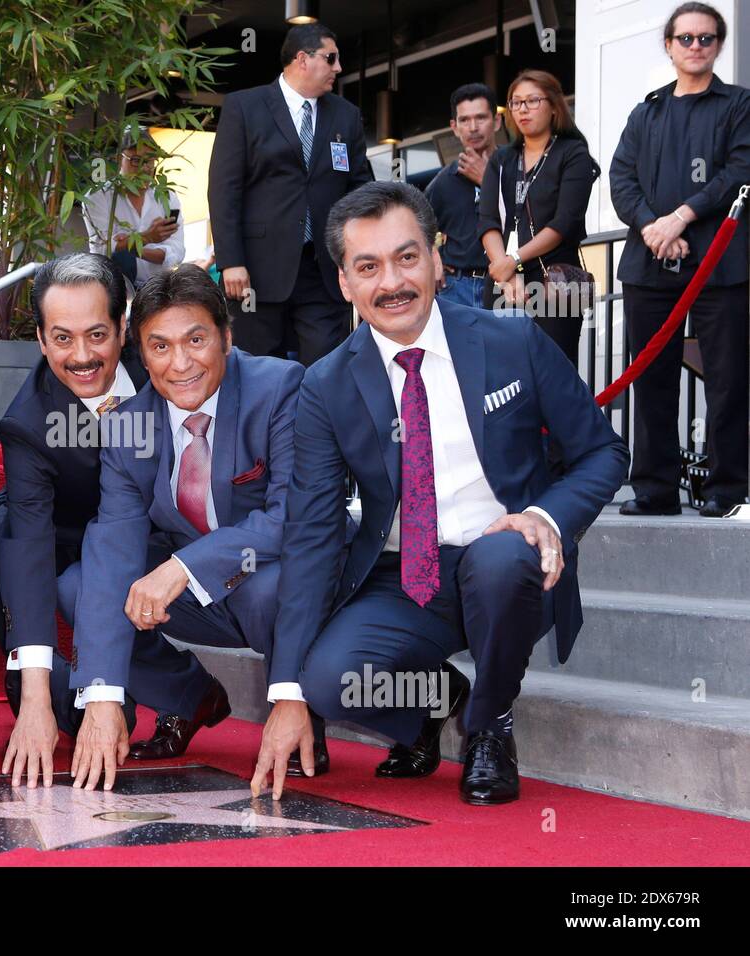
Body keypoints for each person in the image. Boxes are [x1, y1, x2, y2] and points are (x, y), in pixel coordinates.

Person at [254, 182, 628, 805]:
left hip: (503, 562)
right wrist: (287, 691)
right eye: (367, 267)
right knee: (328, 682)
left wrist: (543, 516)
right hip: (404, 577)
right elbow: (312, 530)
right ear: (344, 283)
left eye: (406, 258)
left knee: (505, 553)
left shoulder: (514, 341)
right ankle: (437, 704)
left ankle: (489, 724)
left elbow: (602, 451)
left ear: (436, 258)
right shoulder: (325, 386)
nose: (391, 283)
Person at [68, 265, 314, 792]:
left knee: (272, 588)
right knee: (80, 586)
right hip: (201, 597)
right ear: (141, 353)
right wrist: (104, 694)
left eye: (196, 340)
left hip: (275, 582)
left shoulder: (280, 388)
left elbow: (293, 517)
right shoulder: (128, 425)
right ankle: (189, 697)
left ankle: (305, 704)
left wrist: (183, 567)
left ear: (226, 336)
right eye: (159, 347)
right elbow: (114, 547)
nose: (179, 364)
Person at [0, 253, 154, 787]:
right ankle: (60, 693)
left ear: (124, 328)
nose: (82, 357)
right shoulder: (28, 421)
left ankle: (192, 693)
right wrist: (35, 699)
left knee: (100, 583)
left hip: (149, 533)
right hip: (57, 535)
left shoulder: (165, 368)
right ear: (39, 339)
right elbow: (30, 547)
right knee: (12, 548)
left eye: (97, 334)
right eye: (62, 338)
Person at [610, 2, 750, 518]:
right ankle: (654, 488)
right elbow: (621, 178)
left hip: (721, 262)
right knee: (651, 377)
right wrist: (654, 227)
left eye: (706, 38)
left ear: (718, 45)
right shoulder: (645, 112)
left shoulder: (739, 104)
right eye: (685, 38)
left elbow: (739, 170)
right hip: (650, 263)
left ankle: (726, 489)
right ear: (668, 46)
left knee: (728, 378)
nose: (695, 46)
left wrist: (681, 218)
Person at [208, 22, 373, 367]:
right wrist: (230, 261)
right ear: (303, 59)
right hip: (256, 271)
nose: (338, 68)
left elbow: (361, 190)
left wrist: (360, 255)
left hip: (323, 270)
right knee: (257, 371)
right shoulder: (245, 107)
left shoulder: (346, 115)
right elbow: (225, 188)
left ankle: (317, 424)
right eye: (331, 58)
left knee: (327, 370)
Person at [478, 70, 600, 362]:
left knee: (553, 368)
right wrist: (504, 271)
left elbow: (564, 222)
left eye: (532, 101)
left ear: (554, 106)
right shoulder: (502, 159)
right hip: (502, 278)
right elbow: (488, 220)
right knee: (502, 372)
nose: (522, 109)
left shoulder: (573, 154)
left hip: (555, 278)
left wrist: (514, 261)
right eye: (516, 102)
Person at [426, 84, 500, 309]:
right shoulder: (443, 181)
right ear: (454, 127)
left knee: (509, 345)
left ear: (496, 122)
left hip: (507, 283)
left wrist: (487, 180)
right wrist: (433, 257)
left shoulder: (516, 168)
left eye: (481, 118)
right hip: (456, 288)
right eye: (465, 120)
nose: (473, 127)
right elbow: (414, 226)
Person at [82, 133, 184, 291]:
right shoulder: (99, 196)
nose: (144, 168)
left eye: (149, 161)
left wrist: (135, 247)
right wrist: (148, 237)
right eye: (135, 160)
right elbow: (102, 249)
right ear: (118, 160)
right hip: (113, 288)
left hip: (157, 287)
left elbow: (177, 252)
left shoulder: (167, 196)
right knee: (122, 258)